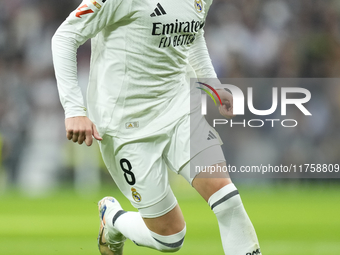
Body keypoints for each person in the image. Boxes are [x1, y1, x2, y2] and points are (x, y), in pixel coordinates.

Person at [52, 0, 262, 254]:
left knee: (227, 198)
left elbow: (193, 34)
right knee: (170, 238)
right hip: (125, 124)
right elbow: (65, 36)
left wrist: (213, 84)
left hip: (180, 107)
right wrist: (74, 110)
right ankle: (113, 218)